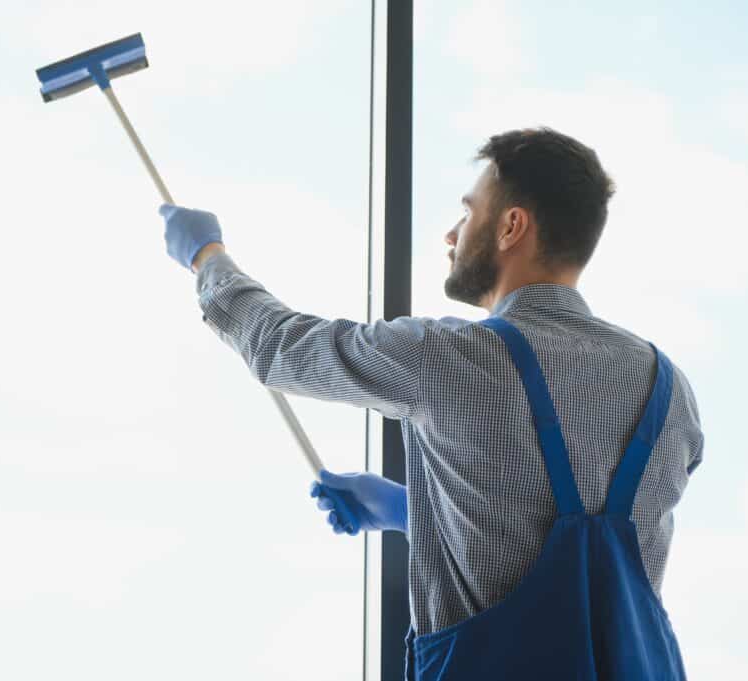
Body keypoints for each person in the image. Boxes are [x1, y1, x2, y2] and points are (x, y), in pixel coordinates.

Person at [160, 126, 704, 680]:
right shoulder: (667, 388)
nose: (452, 233)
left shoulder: (451, 358)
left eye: (468, 213)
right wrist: (413, 511)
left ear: (512, 226)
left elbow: (280, 345)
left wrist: (208, 258)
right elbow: (583, 580)